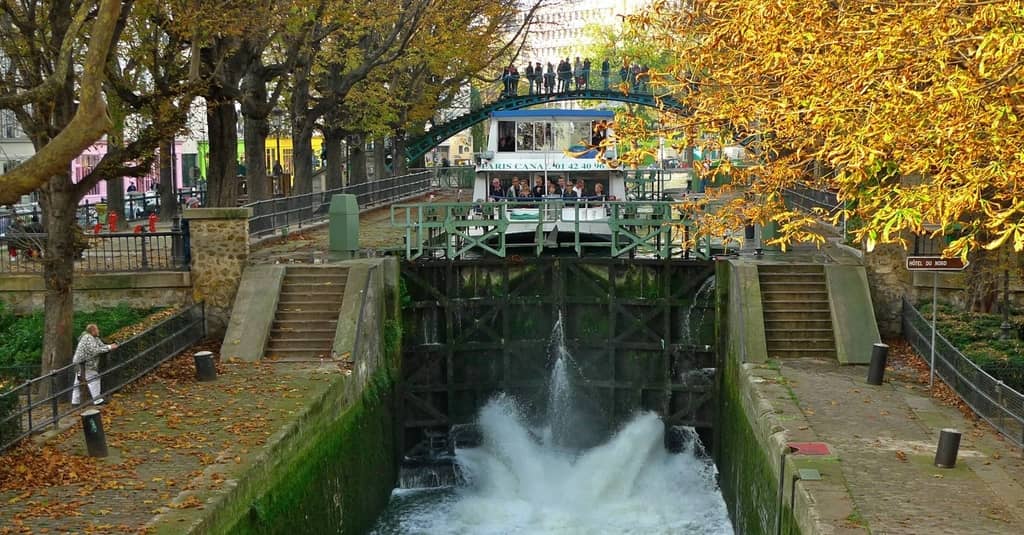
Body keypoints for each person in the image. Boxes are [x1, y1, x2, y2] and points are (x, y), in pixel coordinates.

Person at [71, 324, 118, 406]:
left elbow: (101, 346)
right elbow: (95, 350)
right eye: (97, 329)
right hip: (85, 364)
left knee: (77, 382)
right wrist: (110, 347)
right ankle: (97, 400)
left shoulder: (94, 338)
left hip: (81, 363)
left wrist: (110, 346)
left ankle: (75, 402)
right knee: (94, 379)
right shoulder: (88, 337)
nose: (98, 331)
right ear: (92, 331)